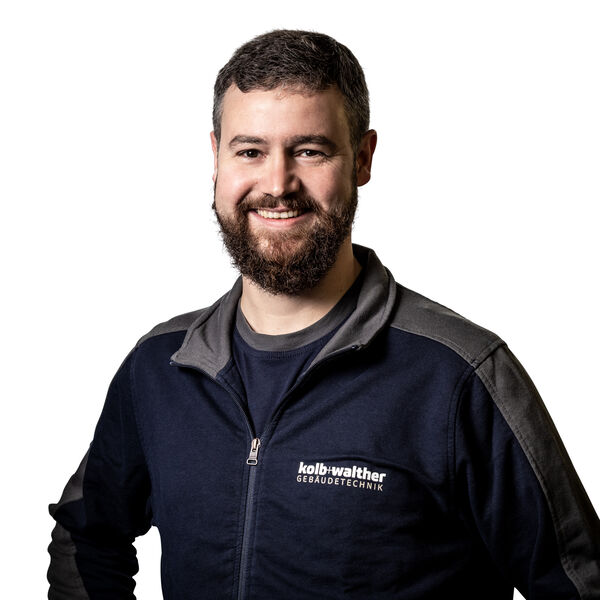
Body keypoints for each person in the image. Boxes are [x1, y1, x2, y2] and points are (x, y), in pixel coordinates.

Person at [48, 29, 600, 599]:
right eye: (249, 151)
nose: (277, 184)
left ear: (362, 158)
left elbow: (581, 583)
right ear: (215, 158)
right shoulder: (160, 367)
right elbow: (87, 538)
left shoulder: (459, 375)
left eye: (310, 151)